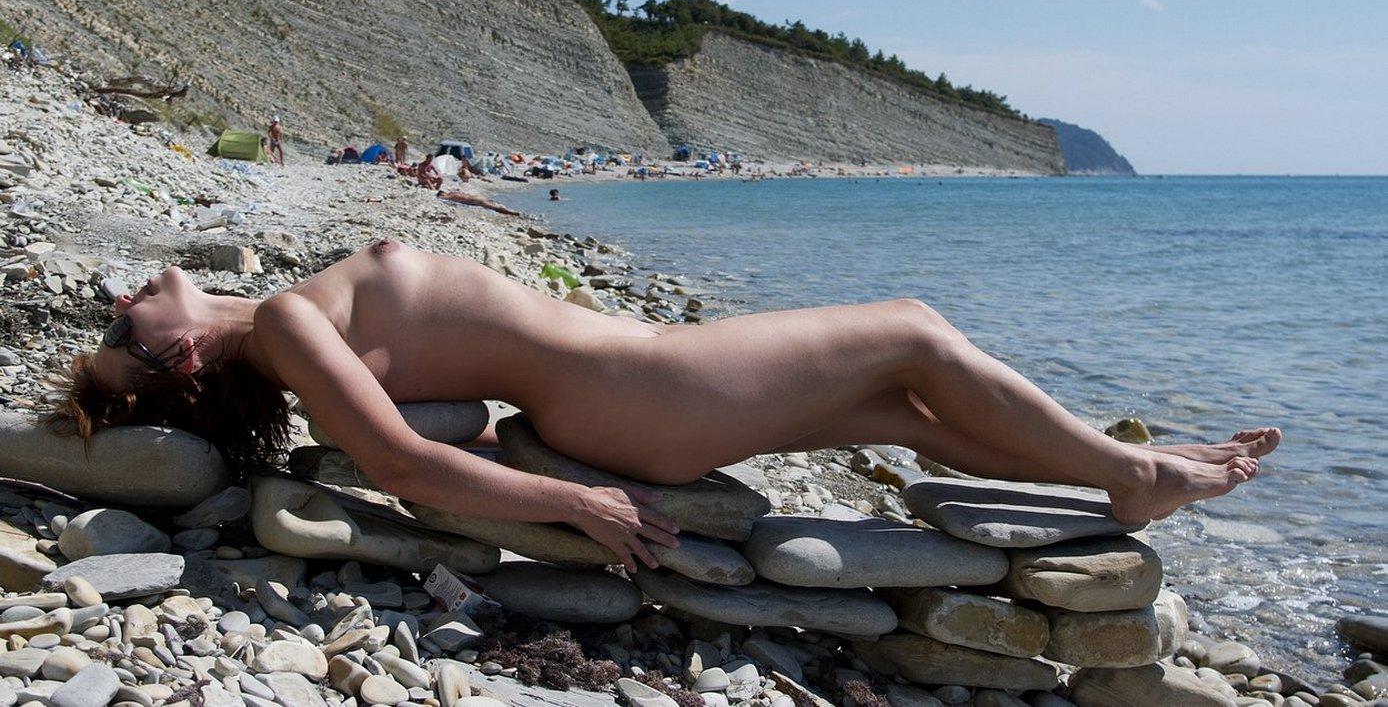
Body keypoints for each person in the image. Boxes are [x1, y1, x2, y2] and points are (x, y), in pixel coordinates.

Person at [52, 243, 1278, 572]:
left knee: (899, 408)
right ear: (182, 360)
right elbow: (401, 465)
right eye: (121, 339)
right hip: (645, 389)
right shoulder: (282, 325)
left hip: (641, 387)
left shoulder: (290, 323)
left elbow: (430, 420)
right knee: (909, 330)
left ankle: (1112, 470)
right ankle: (1134, 476)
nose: (119, 301)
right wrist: (571, 502)